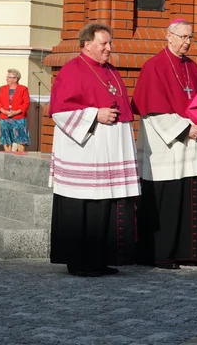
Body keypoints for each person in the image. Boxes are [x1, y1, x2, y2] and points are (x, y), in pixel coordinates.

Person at [48, 23, 140, 278]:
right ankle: (79, 262)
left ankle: (100, 259)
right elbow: (59, 111)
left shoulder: (110, 70)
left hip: (107, 153)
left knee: (103, 207)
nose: (109, 48)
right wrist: (95, 114)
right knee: (84, 207)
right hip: (84, 151)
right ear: (87, 44)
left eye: (110, 43)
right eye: (104, 44)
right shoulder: (71, 70)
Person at [132, 18, 197, 269]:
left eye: (190, 37)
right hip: (165, 145)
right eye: (182, 37)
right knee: (166, 200)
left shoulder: (192, 67)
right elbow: (151, 109)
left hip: (191, 141)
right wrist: (185, 128)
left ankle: (187, 252)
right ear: (168, 37)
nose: (187, 42)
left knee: (189, 196)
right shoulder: (154, 66)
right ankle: (160, 254)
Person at [0, 69, 31, 153]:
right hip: (5, 118)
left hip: (19, 118)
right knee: (6, 139)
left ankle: (20, 159)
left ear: (15, 79)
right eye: (7, 77)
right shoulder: (2, 88)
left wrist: (16, 112)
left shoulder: (23, 89)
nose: (7, 79)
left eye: (9, 77)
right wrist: (3, 111)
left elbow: (26, 103)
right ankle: (8, 158)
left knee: (20, 139)